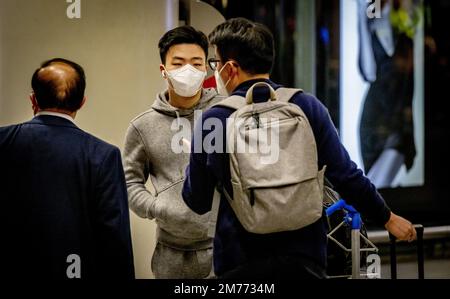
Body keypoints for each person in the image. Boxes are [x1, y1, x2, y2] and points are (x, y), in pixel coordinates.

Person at [182, 17, 417, 279]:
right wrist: (387, 217)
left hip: (240, 259)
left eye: (216, 63)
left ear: (230, 68)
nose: (215, 72)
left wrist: (194, 159)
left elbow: (198, 201)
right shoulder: (308, 106)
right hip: (305, 257)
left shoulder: (213, 120)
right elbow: (345, 175)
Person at [0, 58, 135, 279]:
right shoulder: (103, 155)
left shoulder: (4, 142)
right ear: (82, 102)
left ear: (33, 99)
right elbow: (114, 238)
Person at [122, 25, 223, 279]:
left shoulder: (226, 113)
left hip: (225, 247)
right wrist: (157, 207)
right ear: (163, 70)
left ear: (206, 68)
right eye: (178, 63)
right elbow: (129, 181)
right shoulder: (142, 125)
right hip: (171, 254)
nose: (187, 70)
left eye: (196, 63)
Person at [358, 0, 420, 188]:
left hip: (399, 118)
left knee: (374, 191)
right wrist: (362, 19)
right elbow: (368, 72)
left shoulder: (406, 22)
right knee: (373, 190)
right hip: (374, 119)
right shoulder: (371, 18)